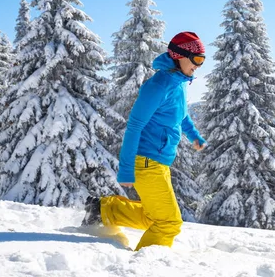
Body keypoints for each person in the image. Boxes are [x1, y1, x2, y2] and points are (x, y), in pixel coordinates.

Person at [82, 31, 208, 251]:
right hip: (146, 162)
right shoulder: (158, 85)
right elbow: (134, 126)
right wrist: (126, 169)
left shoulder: (177, 83)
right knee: (168, 223)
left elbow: (181, 114)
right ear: (180, 55)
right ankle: (146, 267)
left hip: (159, 162)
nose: (199, 65)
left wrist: (194, 135)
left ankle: (103, 211)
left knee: (155, 217)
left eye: (202, 60)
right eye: (197, 59)